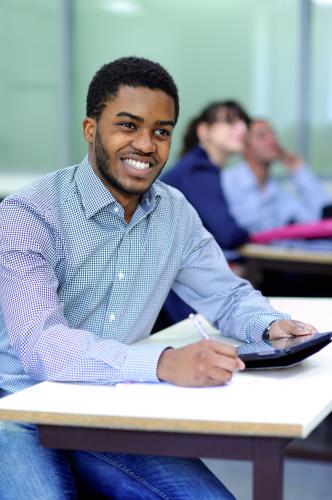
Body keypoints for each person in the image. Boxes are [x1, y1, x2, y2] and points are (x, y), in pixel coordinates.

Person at [0, 57, 316, 500]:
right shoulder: (29, 214)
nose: (147, 145)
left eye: (162, 131)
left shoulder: (175, 213)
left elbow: (225, 296)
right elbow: (42, 344)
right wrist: (164, 364)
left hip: (106, 408)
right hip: (15, 407)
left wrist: (268, 324)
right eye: (128, 126)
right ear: (91, 130)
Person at [159, 101, 251, 325]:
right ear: (204, 131)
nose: (242, 129)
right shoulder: (198, 170)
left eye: (243, 122)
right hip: (176, 292)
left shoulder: (196, 167)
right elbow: (227, 232)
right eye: (229, 121)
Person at [222, 118, 330, 234]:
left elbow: (320, 217)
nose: (272, 140)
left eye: (273, 134)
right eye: (262, 135)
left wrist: (299, 169)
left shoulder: (278, 192)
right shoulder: (226, 182)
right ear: (244, 147)